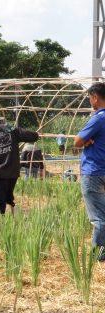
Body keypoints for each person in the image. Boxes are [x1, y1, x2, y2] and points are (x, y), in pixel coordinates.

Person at [0, 112, 39, 215]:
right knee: (7, 198)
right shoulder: (12, 131)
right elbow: (34, 136)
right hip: (12, 173)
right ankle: (10, 221)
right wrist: (15, 129)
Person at [74, 82, 105, 261]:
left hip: (94, 172)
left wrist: (85, 140)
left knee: (99, 218)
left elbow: (77, 141)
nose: (89, 101)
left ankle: (99, 256)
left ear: (95, 97)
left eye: (89, 98)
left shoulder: (99, 118)